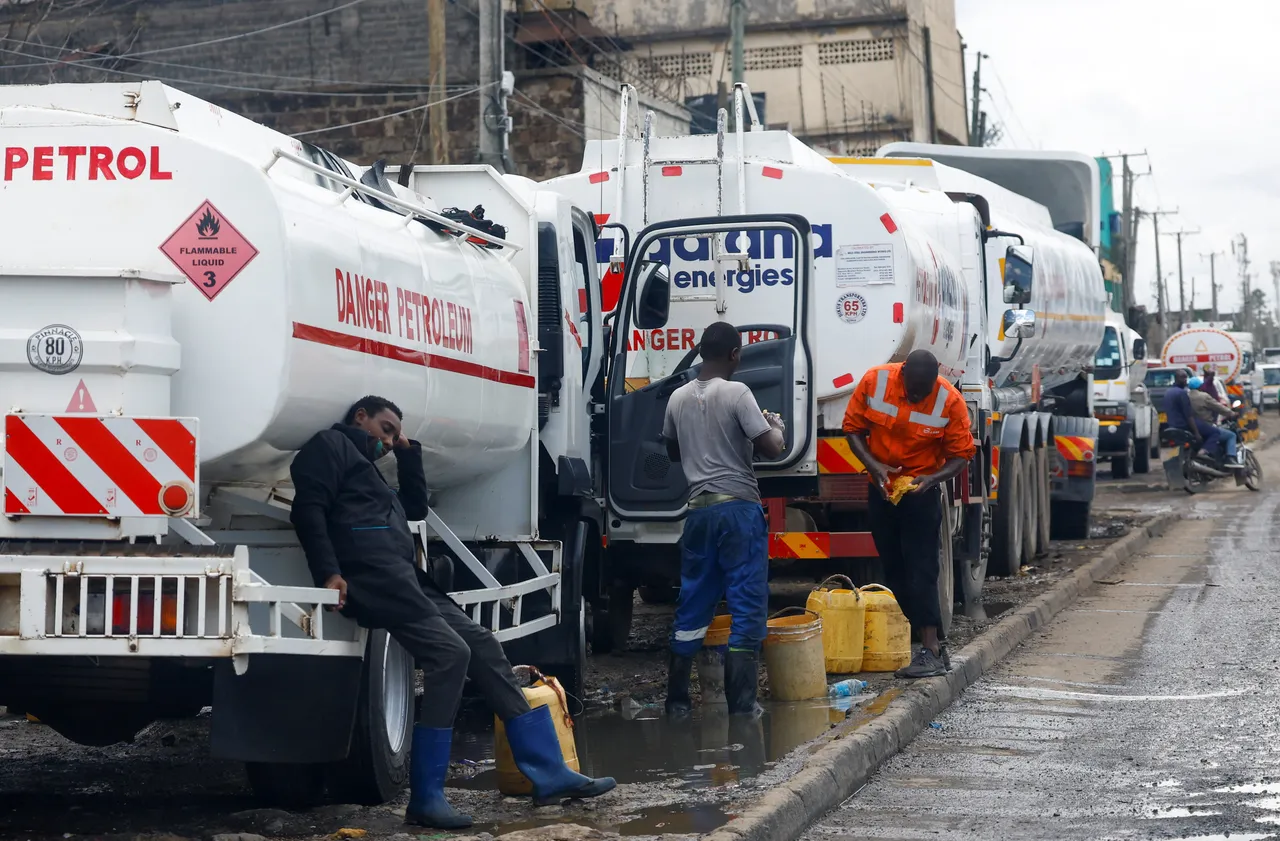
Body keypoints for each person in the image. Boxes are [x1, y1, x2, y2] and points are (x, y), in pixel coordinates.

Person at [289, 396, 614, 829]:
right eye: (385, 429)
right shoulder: (329, 447)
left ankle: (549, 773)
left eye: (394, 433)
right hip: (374, 579)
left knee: (482, 644)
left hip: (406, 580)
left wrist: (407, 452)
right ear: (359, 416)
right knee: (450, 656)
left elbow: (416, 509)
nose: (389, 440)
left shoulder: (368, 470)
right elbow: (307, 510)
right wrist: (329, 573)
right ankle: (426, 797)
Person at [661, 322, 786, 717]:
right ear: (735, 354)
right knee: (746, 602)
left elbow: (672, 452)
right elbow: (772, 448)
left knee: (694, 600)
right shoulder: (738, 392)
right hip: (738, 511)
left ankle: (678, 703)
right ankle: (743, 707)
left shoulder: (678, 398)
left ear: (699, 351)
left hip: (698, 513)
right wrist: (776, 426)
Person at [842, 350, 975, 680]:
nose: (918, 396)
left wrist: (931, 479)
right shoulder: (876, 381)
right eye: (914, 389)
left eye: (924, 391)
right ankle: (933, 648)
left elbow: (962, 455)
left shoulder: (949, 400)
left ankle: (930, 648)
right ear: (902, 375)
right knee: (895, 571)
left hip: (920, 492)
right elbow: (852, 428)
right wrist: (874, 468)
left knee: (922, 568)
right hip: (882, 487)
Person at [1187, 375, 1241, 465]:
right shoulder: (1203, 396)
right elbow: (1218, 407)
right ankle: (1230, 458)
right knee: (1231, 436)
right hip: (1206, 426)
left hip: (1192, 427)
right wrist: (1231, 413)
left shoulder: (1186, 396)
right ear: (1200, 386)